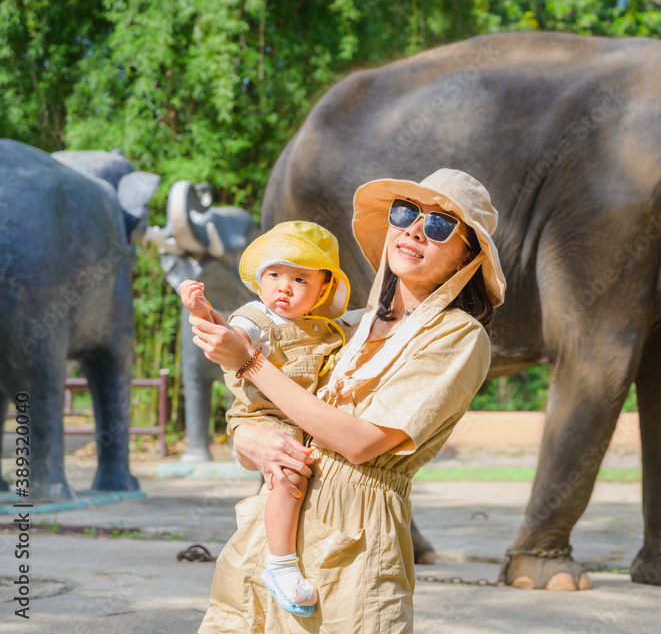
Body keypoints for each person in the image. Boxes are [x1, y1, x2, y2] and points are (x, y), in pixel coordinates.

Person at [193, 169, 505, 634]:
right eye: (406, 212)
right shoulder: (341, 327)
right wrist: (248, 439)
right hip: (271, 535)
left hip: (355, 545)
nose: (415, 229)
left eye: (440, 225)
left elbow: (360, 442)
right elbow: (268, 414)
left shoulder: (458, 337)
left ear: (468, 255)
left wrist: (251, 362)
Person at [180, 220, 352, 616]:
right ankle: (281, 564)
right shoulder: (256, 317)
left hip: (307, 419)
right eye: (274, 275)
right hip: (264, 415)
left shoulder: (325, 327)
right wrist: (201, 310)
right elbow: (231, 339)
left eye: (299, 279)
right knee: (288, 474)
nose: (284, 287)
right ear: (260, 281)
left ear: (324, 288)